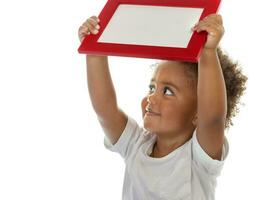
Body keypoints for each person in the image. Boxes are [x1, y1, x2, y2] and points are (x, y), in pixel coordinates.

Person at [78, 14, 247, 200]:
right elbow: (105, 110)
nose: (152, 97)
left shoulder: (198, 159)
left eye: (167, 91)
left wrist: (208, 52)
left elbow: (213, 117)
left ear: (198, 113)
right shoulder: (135, 144)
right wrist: (94, 53)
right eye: (152, 87)